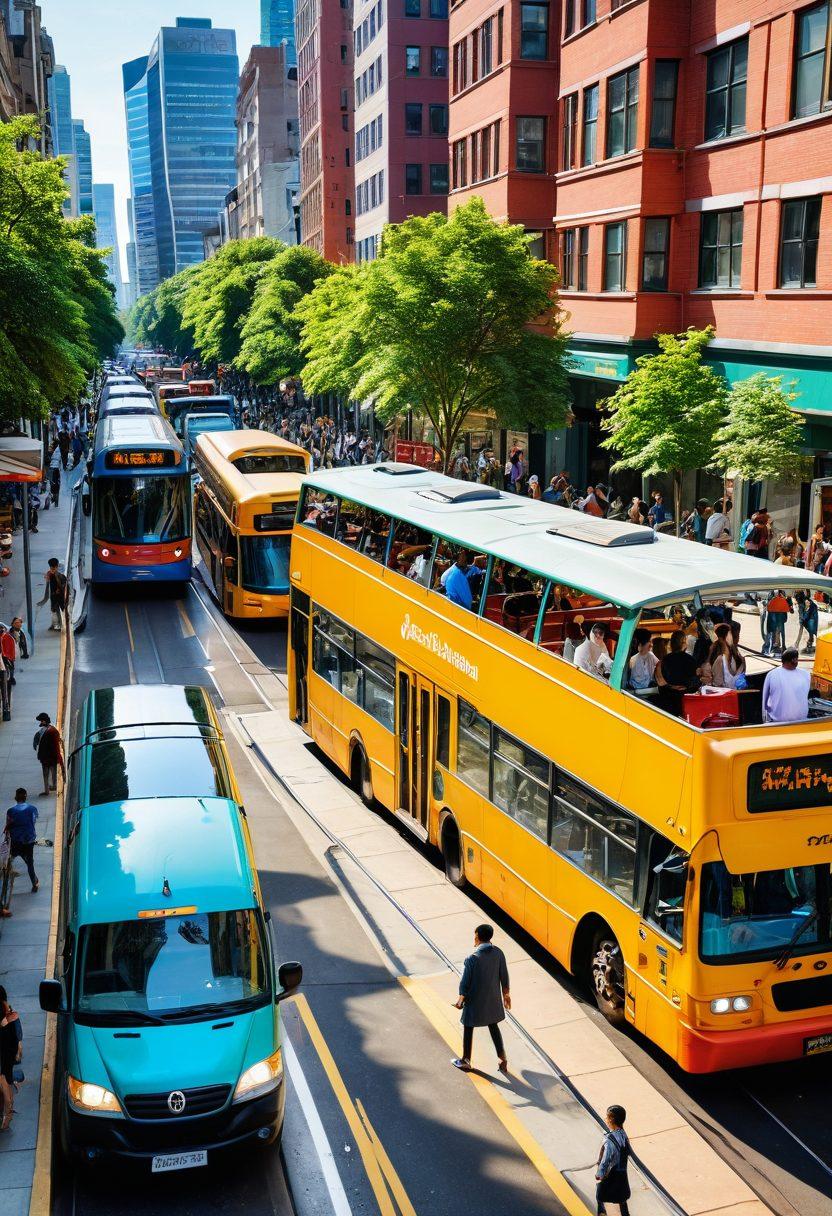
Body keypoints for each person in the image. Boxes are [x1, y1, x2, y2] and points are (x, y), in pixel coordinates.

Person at [452, 924, 510, 1073]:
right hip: (492, 1001)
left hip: (475, 1001)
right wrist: (506, 994)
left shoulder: (472, 958)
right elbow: (504, 975)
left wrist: (460, 1000)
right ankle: (502, 1058)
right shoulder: (498, 953)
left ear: (477, 936)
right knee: (493, 1026)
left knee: (468, 1026)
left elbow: (465, 983)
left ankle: (465, 1060)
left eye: (475, 935)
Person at [595, 1105, 631, 1216]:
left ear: (611, 1119)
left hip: (611, 1174)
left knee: (600, 1194)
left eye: (607, 1117)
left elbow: (605, 1160)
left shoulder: (610, 1139)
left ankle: (602, 1213)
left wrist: (599, 1174)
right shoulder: (624, 1135)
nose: (606, 1119)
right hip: (622, 1174)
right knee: (621, 1197)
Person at [658, 629, 700, 715]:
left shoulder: (665, 659)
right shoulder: (690, 660)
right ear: (684, 643)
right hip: (686, 697)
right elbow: (695, 682)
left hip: (669, 698)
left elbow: (661, 682)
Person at [762, 648, 811, 723]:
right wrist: (765, 717)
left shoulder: (805, 674)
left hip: (801, 720)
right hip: (777, 721)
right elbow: (765, 698)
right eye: (794, 659)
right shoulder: (772, 674)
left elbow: (805, 694)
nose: (796, 661)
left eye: (796, 659)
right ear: (787, 661)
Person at [4, 789, 38, 893]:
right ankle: (34, 883)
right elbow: (33, 821)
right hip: (29, 840)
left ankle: (5, 887)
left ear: (16, 797)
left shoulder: (10, 811)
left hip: (15, 841)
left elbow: (7, 827)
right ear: (25, 797)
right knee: (30, 863)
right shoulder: (33, 809)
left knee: (9, 861)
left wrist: (6, 840)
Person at [0, 985, 23, 1132]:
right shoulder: (10, 1013)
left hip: (4, 1050)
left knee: (4, 1078)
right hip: (8, 1052)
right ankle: (7, 1113)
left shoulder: (5, 1016)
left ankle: (7, 1113)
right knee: (6, 1078)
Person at [708, 622, 746, 689]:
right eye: (730, 633)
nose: (733, 637)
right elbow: (717, 686)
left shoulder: (735, 656)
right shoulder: (720, 659)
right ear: (723, 638)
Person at [34, 713, 64, 794]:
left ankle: (49, 789)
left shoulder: (49, 731)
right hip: (49, 756)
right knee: (51, 772)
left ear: (44, 721)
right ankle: (51, 787)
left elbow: (54, 745)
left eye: (41, 721)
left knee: (47, 773)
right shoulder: (52, 730)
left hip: (48, 757)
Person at [38, 557, 68, 631]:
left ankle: (59, 626)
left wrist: (58, 590)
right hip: (53, 595)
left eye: (53, 567)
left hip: (58, 596)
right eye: (51, 567)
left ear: (56, 566)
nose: (52, 569)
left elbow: (63, 584)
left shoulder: (59, 575)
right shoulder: (50, 574)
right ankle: (55, 625)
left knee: (58, 610)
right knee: (54, 610)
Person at [796, 590, 819, 654]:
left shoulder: (804, 602)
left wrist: (802, 620)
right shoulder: (805, 600)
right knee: (812, 631)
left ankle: (810, 645)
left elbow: (804, 613)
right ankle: (810, 643)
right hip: (811, 616)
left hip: (811, 617)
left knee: (812, 631)